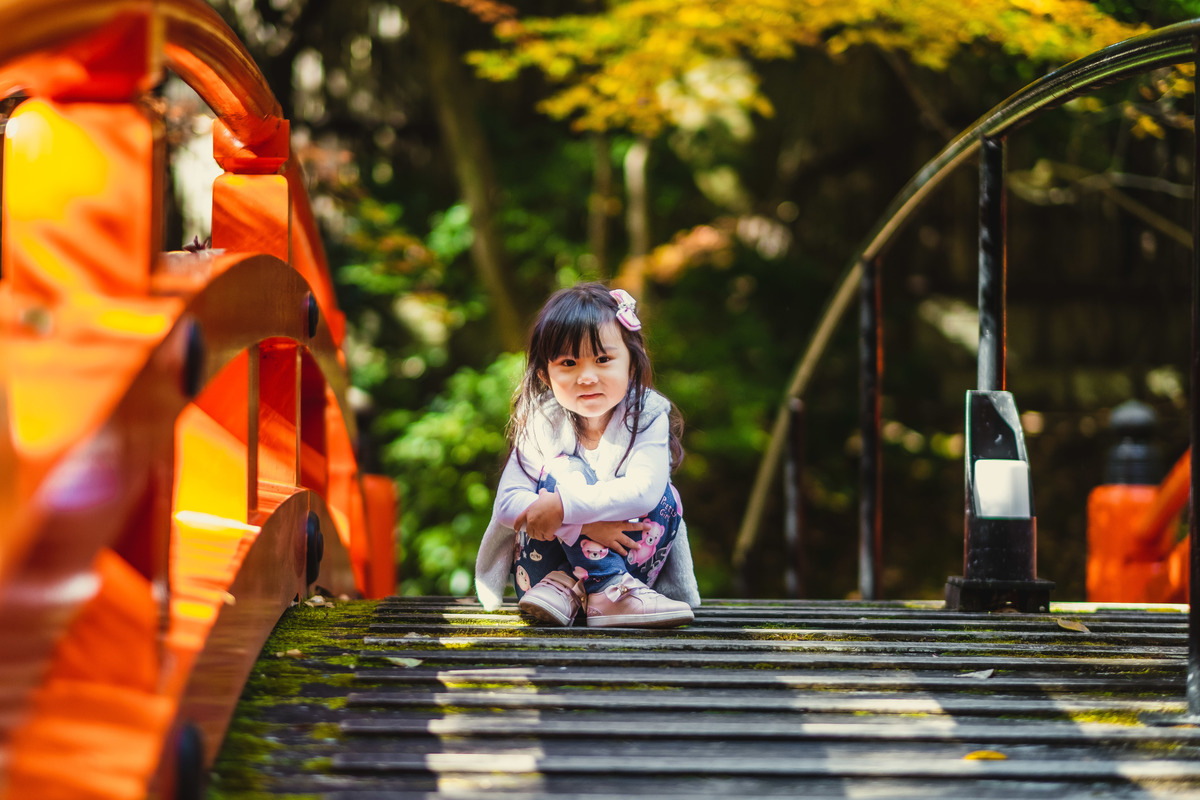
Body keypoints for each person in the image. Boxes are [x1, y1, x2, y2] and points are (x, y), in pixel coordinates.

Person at [474, 283, 701, 627]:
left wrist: (564, 508)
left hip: (631, 569)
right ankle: (580, 588)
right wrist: (585, 524)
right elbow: (507, 503)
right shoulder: (542, 420)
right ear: (545, 376)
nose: (587, 377)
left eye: (603, 359)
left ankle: (606, 591)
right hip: (542, 577)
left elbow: (645, 490)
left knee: (667, 498)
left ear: (632, 364)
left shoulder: (647, 414)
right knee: (564, 469)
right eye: (568, 362)